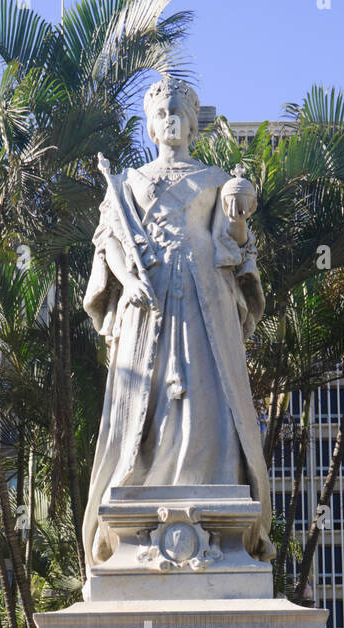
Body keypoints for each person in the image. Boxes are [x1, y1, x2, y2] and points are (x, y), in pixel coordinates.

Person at [82, 77, 273, 568]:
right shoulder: (126, 184)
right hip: (146, 304)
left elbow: (231, 246)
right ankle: (140, 486)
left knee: (208, 392)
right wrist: (130, 282)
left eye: (177, 112)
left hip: (204, 299)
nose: (170, 119)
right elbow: (112, 245)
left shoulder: (213, 180)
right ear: (150, 125)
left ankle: (213, 480)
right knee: (144, 399)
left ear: (190, 123)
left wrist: (237, 208)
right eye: (161, 112)